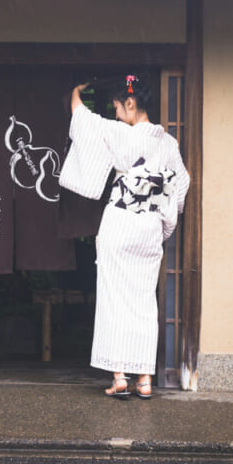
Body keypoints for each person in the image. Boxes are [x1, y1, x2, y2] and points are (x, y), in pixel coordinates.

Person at [59, 75, 190, 399]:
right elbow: (182, 186)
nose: (117, 114)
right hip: (147, 227)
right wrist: (162, 221)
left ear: (130, 104)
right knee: (145, 302)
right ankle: (144, 380)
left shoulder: (118, 134)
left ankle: (120, 377)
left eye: (118, 107)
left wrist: (75, 92)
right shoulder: (168, 143)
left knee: (115, 300)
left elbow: (83, 120)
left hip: (119, 223)